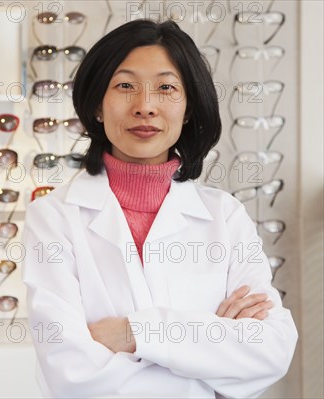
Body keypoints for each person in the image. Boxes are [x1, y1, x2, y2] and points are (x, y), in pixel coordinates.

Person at [23, 19, 297, 398]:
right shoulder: (53, 218)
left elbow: (270, 350)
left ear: (188, 109)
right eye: (124, 86)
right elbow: (71, 374)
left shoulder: (225, 216)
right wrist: (206, 351)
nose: (145, 107)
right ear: (97, 106)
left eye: (166, 88)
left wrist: (133, 333)